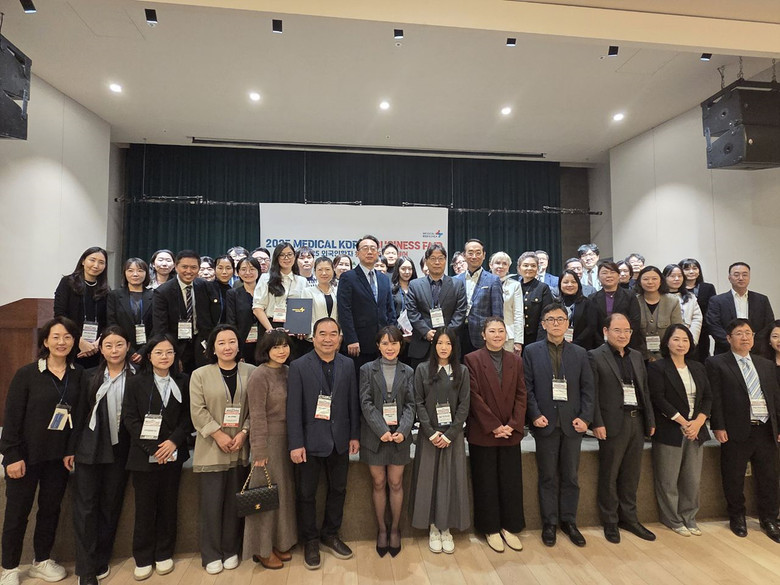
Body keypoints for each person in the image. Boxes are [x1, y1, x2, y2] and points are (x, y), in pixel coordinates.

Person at [0, 318, 84, 585]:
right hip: (25, 456)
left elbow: (80, 417)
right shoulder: (26, 374)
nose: (62, 342)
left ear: (74, 341)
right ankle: (9, 567)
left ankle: (42, 560)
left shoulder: (79, 374)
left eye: (68, 337)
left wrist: (71, 450)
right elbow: (12, 418)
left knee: (50, 510)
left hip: (58, 457)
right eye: (56, 337)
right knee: (17, 513)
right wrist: (11, 456)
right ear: (45, 341)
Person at [286, 318, 360, 570]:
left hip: (340, 439)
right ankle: (310, 540)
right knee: (306, 494)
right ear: (313, 337)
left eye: (333, 334)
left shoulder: (348, 364)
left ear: (340, 338)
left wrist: (354, 435)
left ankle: (330, 534)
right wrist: (296, 443)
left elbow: (352, 402)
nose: (328, 339)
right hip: (309, 442)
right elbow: (293, 408)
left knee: (338, 489)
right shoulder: (298, 366)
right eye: (322, 334)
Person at [68, 326, 136, 585]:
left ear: (128, 346)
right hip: (90, 449)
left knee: (110, 506)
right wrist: (70, 449)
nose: (114, 350)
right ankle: (85, 570)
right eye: (108, 345)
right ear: (101, 349)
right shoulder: (87, 376)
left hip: (121, 450)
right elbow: (77, 415)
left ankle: (101, 558)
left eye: (119, 345)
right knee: (85, 508)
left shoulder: (138, 376)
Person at [524, 303, 594, 547]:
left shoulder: (580, 353)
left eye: (560, 319)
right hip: (545, 422)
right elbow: (527, 388)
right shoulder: (531, 351)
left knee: (571, 476)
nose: (556, 323)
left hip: (573, 423)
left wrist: (585, 418)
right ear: (543, 324)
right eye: (551, 319)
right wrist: (534, 414)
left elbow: (588, 389)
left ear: (567, 323)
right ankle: (549, 523)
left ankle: (569, 521)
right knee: (547, 476)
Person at [122, 334, 191, 580]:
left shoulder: (183, 381)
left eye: (169, 352)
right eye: (159, 352)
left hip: (173, 452)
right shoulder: (135, 383)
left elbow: (188, 417)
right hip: (144, 455)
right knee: (144, 508)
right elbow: (130, 419)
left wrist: (173, 442)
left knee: (168, 506)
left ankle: (164, 553)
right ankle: (142, 557)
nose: (164, 357)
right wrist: (153, 448)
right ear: (149, 356)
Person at [706, 319, 780, 542]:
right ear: (729, 338)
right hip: (735, 429)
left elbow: (775, 398)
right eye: (739, 333)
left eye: (748, 333)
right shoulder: (717, 363)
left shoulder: (765, 364)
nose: (745, 337)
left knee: (769, 477)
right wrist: (718, 426)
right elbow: (715, 397)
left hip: (765, 428)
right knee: (733, 476)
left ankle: (769, 518)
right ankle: (737, 517)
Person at [189, 325, 255, 573]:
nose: (227, 347)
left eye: (232, 341)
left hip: (240, 447)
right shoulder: (200, 375)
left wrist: (244, 433)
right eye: (221, 343)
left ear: (239, 345)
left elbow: (256, 408)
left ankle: (231, 549)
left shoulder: (252, 371)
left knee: (234, 503)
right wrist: (218, 434)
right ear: (213, 348)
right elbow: (197, 411)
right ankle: (211, 554)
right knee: (211, 504)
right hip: (211, 448)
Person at [588, 313, 656, 544]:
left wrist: (650, 421)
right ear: (606, 331)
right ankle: (610, 520)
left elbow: (644, 390)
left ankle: (629, 518)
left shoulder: (636, 356)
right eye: (617, 330)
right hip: (611, 423)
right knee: (609, 474)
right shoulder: (595, 356)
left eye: (627, 331)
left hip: (636, 420)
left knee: (631, 474)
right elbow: (592, 393)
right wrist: (596, 422)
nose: (623, 335)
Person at [464, 317, 527, 553]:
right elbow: (473, 396)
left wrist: (513, 424)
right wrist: (493, 426)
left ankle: (509, 526)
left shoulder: (515, 360)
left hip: (510, 431)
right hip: (484, 431)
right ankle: (490, 528)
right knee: (486, 481)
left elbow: (521, 394)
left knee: (511, 481)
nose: (497, 335)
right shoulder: (472, 359)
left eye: (501, 331)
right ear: (483, 335)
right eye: (492, 331)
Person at [409, 328, 470, 554]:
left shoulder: (462, 371)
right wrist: (430, 432)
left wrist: (450, 434)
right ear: (433, 346)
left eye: (448, 344)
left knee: (451, 480)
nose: (444, 347)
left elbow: (464, 405)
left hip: (452, 436)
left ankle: (446, 528)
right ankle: (433, 528)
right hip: (429, 436)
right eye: (440, 343)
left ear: (454, 347)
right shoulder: (422, 369)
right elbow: (417, 402)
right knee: (429, 480)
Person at [647, 324, 711, 537]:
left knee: (692, 479)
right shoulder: (658, 367)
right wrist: (684, 422)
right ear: (667, 342)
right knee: (668, 478)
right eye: (676, 339)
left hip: (696, 430)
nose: (681, 344)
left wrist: (698, 422)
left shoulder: (698, 367)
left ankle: (689, 517)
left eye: (685, 340)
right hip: (670, 430)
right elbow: (658, 398)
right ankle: (672, 519)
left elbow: (708, 397)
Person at [358, 326, 415, 557]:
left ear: (401, 345)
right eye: (385, 343)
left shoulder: (408, 371)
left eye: (394, 343)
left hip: (400, 436)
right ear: (378, 346)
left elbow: (411, 404)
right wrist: (381, 429)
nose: (389, 348)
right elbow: (365, 402)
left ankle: (395, 529)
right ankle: (382, 529)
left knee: (396, 483)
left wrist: (403, 430)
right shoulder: (366, 369)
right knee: (379, 482)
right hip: (375, 436)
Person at [243, 330, 297, 570]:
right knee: (264, 497)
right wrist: (259, 450)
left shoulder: (289, 372)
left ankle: (279, 542)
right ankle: (262, 549)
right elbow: (256, 415)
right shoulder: (259, 375)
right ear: (266, 350)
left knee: (282, 494)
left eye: (285, 346)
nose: (281, 351)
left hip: (288, 440)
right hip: (268, 442)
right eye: (276, 347)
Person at [152, 250, 220, 374]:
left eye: (193, 267)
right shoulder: (163, 292)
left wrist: (211, 344)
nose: (189, 271)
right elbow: (160, 328)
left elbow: (213, 318)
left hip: (202, 345)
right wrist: (171, 353)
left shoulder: (206, 286)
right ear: (176, 267)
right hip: (176, 346)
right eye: (184, 267)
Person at [337, 235, 396, 376]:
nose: (369, 252)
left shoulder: (383, 279)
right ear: (357, 253)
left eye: (373, 248)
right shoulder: (348, 277)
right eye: (365, 248)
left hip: (382, 343)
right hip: (358, 344)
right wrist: (351, 339)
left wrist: (391, 337)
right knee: (360, 382)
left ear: (378, 253)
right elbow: (344, 310)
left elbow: (390, 310)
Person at [406, 244, 468, 367]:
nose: (437, 262)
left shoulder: (457, 284)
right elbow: (412, 312)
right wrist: (426, 332)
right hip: (422, 344)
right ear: (426, 261)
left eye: (441, 258)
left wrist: (445, 335)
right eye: (433, 258)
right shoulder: (414, 285)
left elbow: (460, 312)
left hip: (449, 344)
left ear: (445, 260)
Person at [54, 246, 109, 369]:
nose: (96, 265)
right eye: (92, 260)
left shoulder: (105, 289)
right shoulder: (67, 283)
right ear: (83, 261)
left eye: (101, 262)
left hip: (96, 348)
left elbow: (108, 320)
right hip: (71, 344)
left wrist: (98, 342)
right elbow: (60, 315)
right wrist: (79, 341)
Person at [252, 243, 308, 358]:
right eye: (282, 255)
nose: (286, 258)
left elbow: (305, 308)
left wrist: (302, 328)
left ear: (295, 257)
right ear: (276, 258)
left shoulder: (302, 281)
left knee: (293, 363)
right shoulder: (266, 278)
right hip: (270, 326)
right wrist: (271, 331)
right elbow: (257, 308)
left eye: (289, 254)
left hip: (293, 329)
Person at [707, 262, 775, 355]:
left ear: (749, 277)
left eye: (745, 275)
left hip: (757, 352)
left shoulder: (762, 300)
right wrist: (733, 343)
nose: (741, 278)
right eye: (736, 275)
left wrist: (752, 344)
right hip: (726, 352)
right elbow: (713, 326)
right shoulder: (717, 301)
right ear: (729, 277)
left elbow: (769, 325)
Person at [455, 239, 503, 356]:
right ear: (464, 255)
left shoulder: (493, 280)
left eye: (478, 253)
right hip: (457, 333)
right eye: (470, 253)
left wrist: (494, 334)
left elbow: (497, 313)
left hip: (481, 334)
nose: (474, 256)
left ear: (484, 255)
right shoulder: (455, 280)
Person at [585, 261, 643, 352]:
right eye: (604, 273)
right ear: (598, 277)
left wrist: (623, 338)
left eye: (612, 272)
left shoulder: (629, 295)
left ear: (618, 275)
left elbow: (635, 321)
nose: (609, 276)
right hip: (600, 345)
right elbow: (592, 325)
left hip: (626, 343)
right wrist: (603, 342)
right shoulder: (592, 298)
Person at [107, 258, 154, 365]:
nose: (135, 274)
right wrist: (129, 349)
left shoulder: (154, 295)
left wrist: (144, 350)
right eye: (130, 270)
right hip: (121, 349)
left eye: (140, 270)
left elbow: (156, 327)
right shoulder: (114, 295)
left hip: (148, 350)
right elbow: (112, 323)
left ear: (146, 273)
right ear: (124, 273)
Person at [634, 265, 683, 362]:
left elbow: (676, 329)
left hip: (666, 354)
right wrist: (646, 355)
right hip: (639, 355)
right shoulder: (634, 301)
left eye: (654, 278)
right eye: (646, 279)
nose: (650, 282)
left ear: (661, 281)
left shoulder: (672, 301)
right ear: (639, 281)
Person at [226, 257, 263, 365]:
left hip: (263, 341)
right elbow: (231, 321)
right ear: (237, 272)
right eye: (243, 269)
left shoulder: (265, 292)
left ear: (258, 271)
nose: (248, 273)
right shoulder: (233, 294)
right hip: (242, 342)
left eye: (252, 269)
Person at [679, 258, 716, 362]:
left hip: (702, 331)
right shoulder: (677, 289)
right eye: (687, 269)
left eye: (695, 268)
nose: (691, 272)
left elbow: (712, 310)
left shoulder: (707, 287)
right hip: (681, 330)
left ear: (699, 271)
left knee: (702, 359)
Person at [516, 252, 554, 347]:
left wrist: (540, 342)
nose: (529, 268)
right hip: (516, 337)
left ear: (537, 269)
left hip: (536, 337)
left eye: (533, 266)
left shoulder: (543, 288)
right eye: (525, 265)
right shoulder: (514, 286)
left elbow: (545, 316)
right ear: (519, 268)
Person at [488, 251, 523, 353]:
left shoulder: (515, 285)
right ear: (491, 265)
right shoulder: (484, 282)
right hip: (487, 335)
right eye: (497, 263)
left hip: (509, 336)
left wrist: (518, 341)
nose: (501, 266)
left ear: (508, 267)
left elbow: (518, 314)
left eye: (504, 264)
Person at [663, 264, 703, 346]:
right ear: (664, 278)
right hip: (666, 340)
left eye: (680, 276)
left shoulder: (691, 297)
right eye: (672, 276)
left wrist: (691, 340)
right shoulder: (660, 297)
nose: (677, 279)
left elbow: (697, 319)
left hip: (688, 339)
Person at [303, 257, 339, 339]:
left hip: (335, 337)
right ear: (314, 272)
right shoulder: (308, 292)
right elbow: (306, 317)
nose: (324, 273)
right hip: (315, 337)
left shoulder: (338, 291)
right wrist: (313, 336)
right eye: (320, 270)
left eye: (327, 269)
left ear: (333, 270)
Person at [557, 270, 591, 348]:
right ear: (560, 284)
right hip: (558, 345)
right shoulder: (555, 304)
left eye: (573, 282)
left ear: (578, 284)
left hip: (582, 346)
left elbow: (590, 327)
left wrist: (575, 343)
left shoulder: (587, 303)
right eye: (566, 282)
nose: (570, 285)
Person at [390, 255, 418, 329]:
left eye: (410, 269)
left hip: (416, 329)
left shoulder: (417, 288)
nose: (407, 272)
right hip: (397, 330)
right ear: (397, 270)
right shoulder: (392, 289)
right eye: (403, 269)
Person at [212, 255, 235, 323]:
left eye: (228, 268)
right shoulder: (208, 288)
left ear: (233, 270)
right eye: (220, 268)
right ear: (214, 269)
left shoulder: (234, 291)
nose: (224, 272)